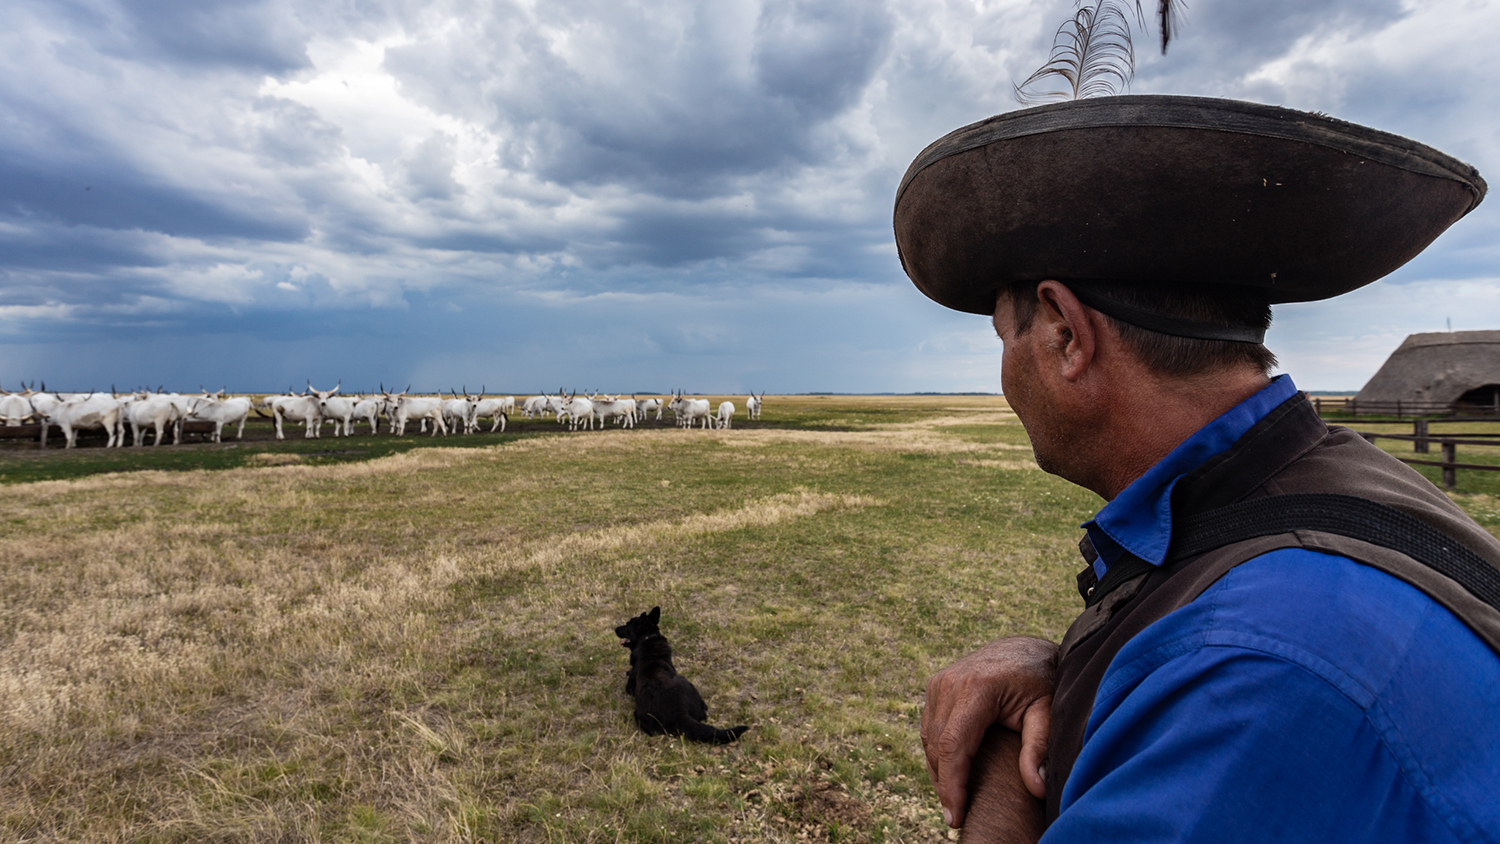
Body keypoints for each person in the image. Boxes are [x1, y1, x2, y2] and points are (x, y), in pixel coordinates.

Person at [892, 96, 1500, 843]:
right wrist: (1061, 666)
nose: (1005, 375)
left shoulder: (1251, 663)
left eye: (1002, 337)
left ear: (1063, 334)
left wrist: (998, 764)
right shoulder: (1340, 487)